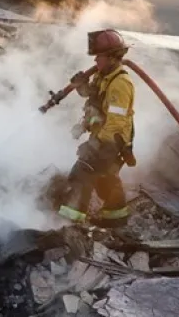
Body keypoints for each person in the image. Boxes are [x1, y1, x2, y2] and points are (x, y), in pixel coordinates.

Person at [58, 29, 136, 228]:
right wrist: (81, 88)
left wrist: (94, 145)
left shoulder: (120, 84)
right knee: (106, 178)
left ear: (112, 57)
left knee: (82, 172)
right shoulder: (104, 77)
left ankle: (70, 222)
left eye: (99, 57)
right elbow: (95, 102)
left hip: (112, 141)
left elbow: (115, 123)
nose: (95, 61)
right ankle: (115, 219)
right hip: (106, 138)